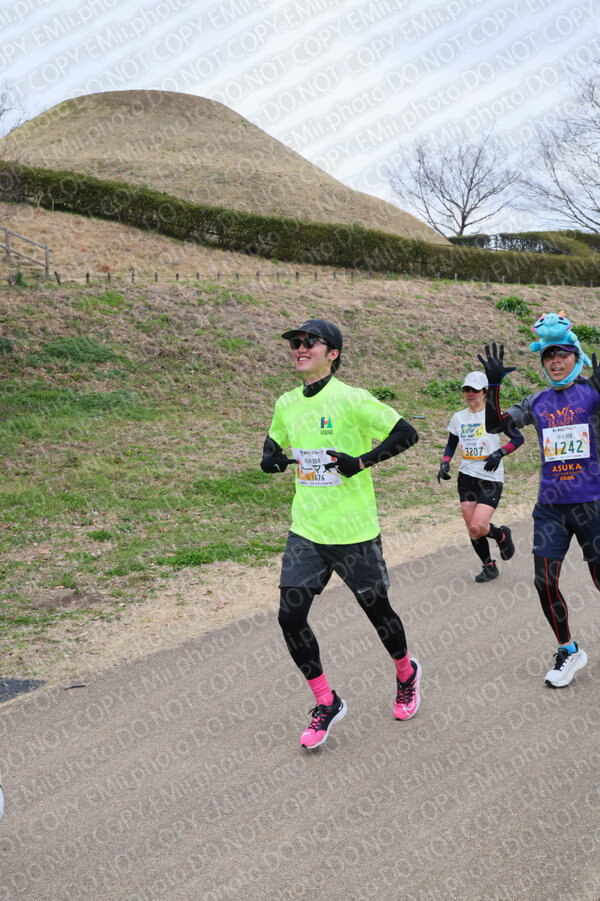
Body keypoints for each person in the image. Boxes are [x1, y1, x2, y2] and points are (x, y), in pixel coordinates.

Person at [261, 318, 420, 749]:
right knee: (290, 616)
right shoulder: (286, 402)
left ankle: (406, 673)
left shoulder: (352, 399)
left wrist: (361, 462)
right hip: (307, 529)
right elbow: (274, 444)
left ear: (332, 353)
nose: (299, 347)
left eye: (309, 342)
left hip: (354, 531)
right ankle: (326, 701)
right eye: (295, 342)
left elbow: (407, 433)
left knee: (377, 612)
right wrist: (269, 458)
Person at [478, 312, 600, 688]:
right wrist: (493, 386)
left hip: (592, 503)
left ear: (576, 356)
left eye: (562, 354)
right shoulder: (537, 401)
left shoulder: (593, 392)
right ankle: (568, 650)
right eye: (549, 355)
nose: (556, 361)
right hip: (550, 507)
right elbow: (496, 424)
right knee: (543, 581)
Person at [437, 371, 523, 582]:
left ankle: (502, 535)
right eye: (467, 389)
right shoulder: (458, 417)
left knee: (479, 526)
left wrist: (499, 453)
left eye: (475, 390)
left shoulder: (495, 416)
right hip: (466, 476)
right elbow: (451, 444)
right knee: (473, 530)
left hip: (490, 477)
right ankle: (489, 566)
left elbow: (518, 438)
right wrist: (445, 462)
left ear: (485, 392)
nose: (470, 393)